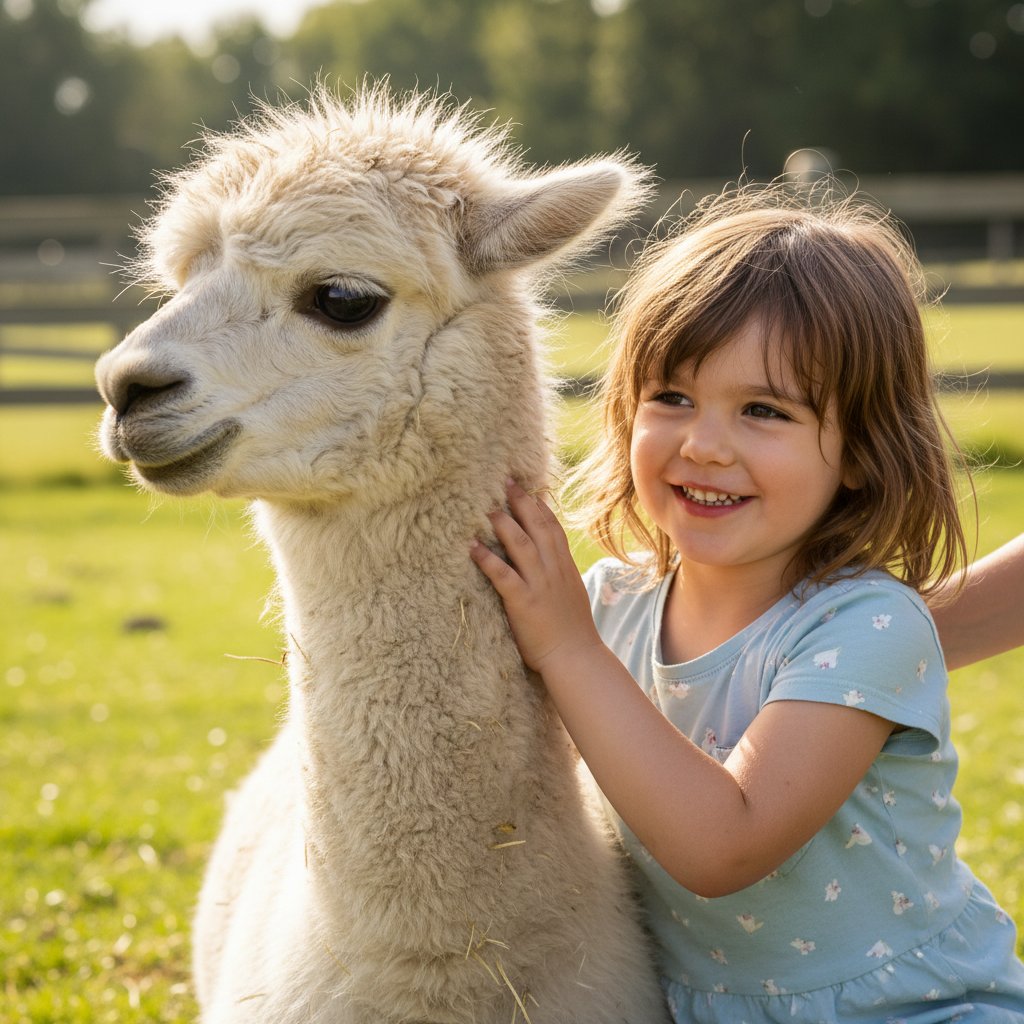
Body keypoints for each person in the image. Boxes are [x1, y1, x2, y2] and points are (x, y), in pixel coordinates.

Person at [470, 185, 1024, 1021]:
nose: (703, 444)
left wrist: (569, 652)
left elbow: (722, 846)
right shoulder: (609, 604)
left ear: (864, 453)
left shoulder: (866, 627)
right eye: (672, 398)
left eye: (763, 410)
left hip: (914, 1012)